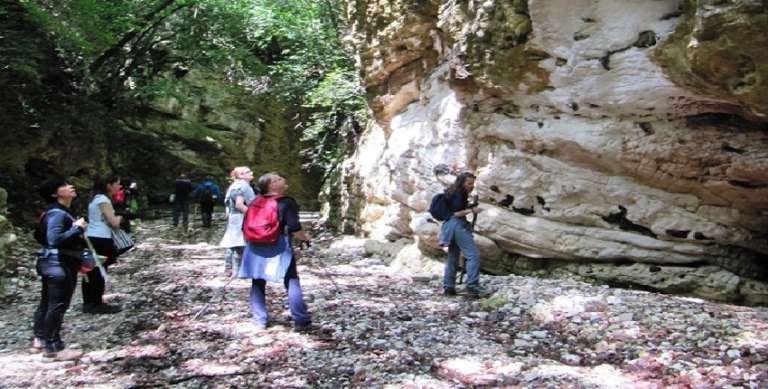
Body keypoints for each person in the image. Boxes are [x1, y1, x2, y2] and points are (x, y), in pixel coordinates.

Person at [239, 172, 312, 332]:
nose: (283, 179)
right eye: (278, 179)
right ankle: (301, 320)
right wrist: (305, 239)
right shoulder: (286, 202)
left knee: (257, 281)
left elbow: (244, 226)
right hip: (278, 245)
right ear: (271, 185)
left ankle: (259, 320)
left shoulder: (254, 202)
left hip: (255, 245)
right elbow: (294, 227)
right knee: (291, 280)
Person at [32, 178, 87, 360]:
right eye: (63, 185)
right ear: (55, 194)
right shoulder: (57, 213)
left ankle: (40, 339)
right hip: (58, 263)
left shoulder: (56, 211)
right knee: (58, 304)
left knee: (48, 302)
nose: (71, 186)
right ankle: (54, 347)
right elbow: (54, 239)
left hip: (50, 261)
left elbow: (40, 237)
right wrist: (77, 229)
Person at [438, 172, 492, 297]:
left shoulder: (452, 192)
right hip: (457, 226)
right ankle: (472, 285)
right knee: (473, 255)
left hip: (449, 226)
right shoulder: (458, 194)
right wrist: (472, 210)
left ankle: (449, 287)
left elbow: (454, 209)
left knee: (453, 257)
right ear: (461, 182)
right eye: (469, 183)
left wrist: (469, 206)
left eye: (473, 184)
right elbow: (456, 213)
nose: (471, 186)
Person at [83, 174, 124, 314]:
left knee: (90, 270)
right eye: (117, 184)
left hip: (91, 236)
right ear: (109, 185)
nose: (119, 187)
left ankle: (88, 302)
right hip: (101, 238)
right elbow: (114, 223)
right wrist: (120, 217)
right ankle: (97, 304)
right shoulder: (103, 199)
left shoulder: (94, 198)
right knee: (100, 270)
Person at [219, 167, 256, 276]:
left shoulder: (234, 185)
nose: (251, 173)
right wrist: (253, 214)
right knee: (239, 243)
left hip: (234, 217)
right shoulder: (241, 186)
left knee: (232, 243)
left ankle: (228, 269)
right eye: (248, 172)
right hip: (239, 217)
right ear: (240, 175)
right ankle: (238, 271)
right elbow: (239, 204)